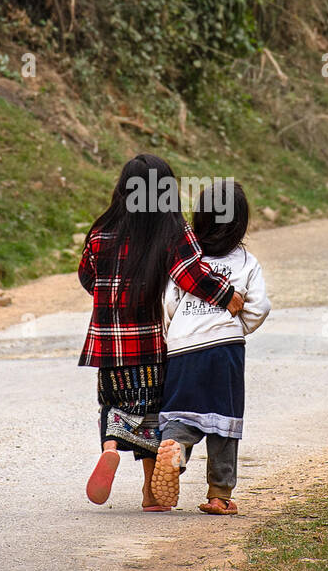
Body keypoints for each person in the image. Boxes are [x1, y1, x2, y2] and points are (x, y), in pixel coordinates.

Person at [79, 155, 244, 510]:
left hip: (108, 343)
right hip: (150, 341)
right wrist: (227, 295)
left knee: (114, 405)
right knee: (152, 413)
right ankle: (151, 493)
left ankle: (110, 448)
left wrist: (111, 299)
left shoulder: (101, 230)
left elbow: (87, 276)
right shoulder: (171, 229)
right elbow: (191, 274)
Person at [150, 180, 268, 515]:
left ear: (198, 218)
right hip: (224, 350)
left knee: (181, 411)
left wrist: (174, 337)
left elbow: (167, 304)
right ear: (241, 223)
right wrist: (235, 328)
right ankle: (219, 495)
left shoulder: (186, 261)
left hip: (183, 348)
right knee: (224, 422)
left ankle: (176, 447)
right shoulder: (246, 262)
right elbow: (260, 307)